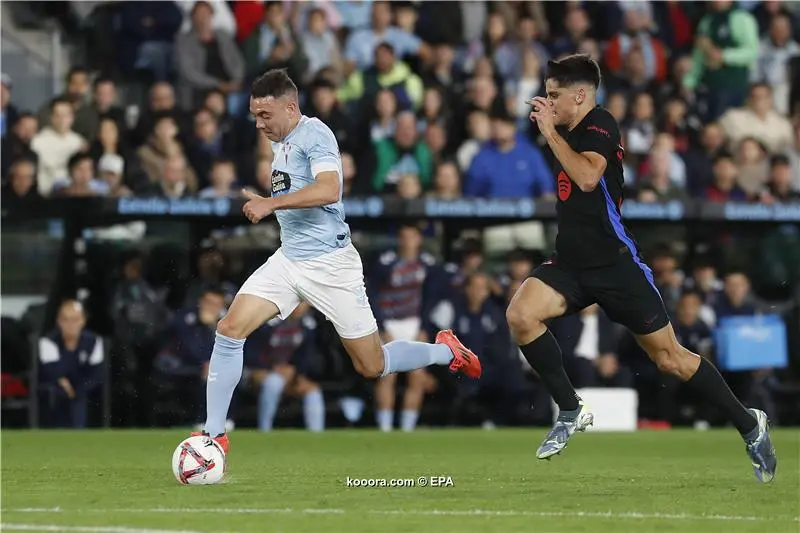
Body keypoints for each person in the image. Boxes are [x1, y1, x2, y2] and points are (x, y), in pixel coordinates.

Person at [506, 54, 776, 483]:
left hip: (616, 266)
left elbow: (588, 179)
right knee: (521, 315)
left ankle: (749, 424)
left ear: (581, 95)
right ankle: (570, 409)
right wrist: (550, 129)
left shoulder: (600, 124)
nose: (548, 101)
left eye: (555, 95)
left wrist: (550, 134)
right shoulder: (566, 128)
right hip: (572, 263)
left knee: (671, 360)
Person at [192, 68, 481, 452]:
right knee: (229, 328)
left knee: (372, 365)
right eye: (254, 115)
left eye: (264, 115)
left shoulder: (316, 134)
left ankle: (447, 352)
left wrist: (271, 202)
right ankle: (215, 435)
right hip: (289, 260)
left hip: (332, 265)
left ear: (290, 107)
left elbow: (329, 189)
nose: (258, 123)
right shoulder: (281, 143)